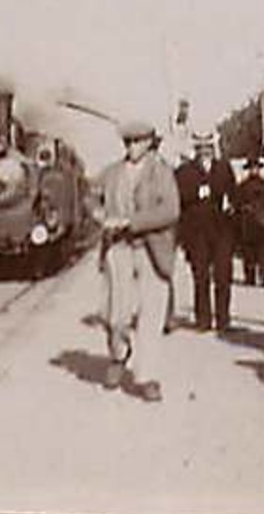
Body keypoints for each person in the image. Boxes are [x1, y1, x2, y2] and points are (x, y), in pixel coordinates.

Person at [97, 120, 180, 401]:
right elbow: (90, 198)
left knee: (151, 313)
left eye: (136, 141)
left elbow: (170, 211)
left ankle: (148, 376)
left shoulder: (162, 173)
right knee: (116, 313)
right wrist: (100, 216)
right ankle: (119, 353)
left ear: (148, 142)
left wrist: (131, 221)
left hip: (151, 249)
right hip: (118, 249)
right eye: (127, 142)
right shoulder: (112, 173)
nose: (131, 147)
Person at [175, 132, 237, 333]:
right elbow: (180, 197)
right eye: (201, 147)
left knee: (223, 276)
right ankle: (203, 320)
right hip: (196, 233)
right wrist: (198, 193)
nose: (205, 150)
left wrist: (231, 205)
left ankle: (223, 320)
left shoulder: (223, 168)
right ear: (196, 149)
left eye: (208, 146)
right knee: (200, 277)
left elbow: (232, 193)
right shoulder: (185, 171)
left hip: (222, 231)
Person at [233, 158, 264, 287]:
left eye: (256, 168)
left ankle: (257, 277)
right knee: (254, 252)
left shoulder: (249, 186)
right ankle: (254, 277)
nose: (254, 170)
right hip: (258, 223)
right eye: (252, 168)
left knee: (256, 252)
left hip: (255, 223)